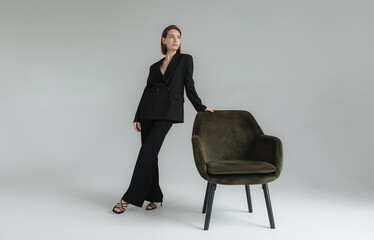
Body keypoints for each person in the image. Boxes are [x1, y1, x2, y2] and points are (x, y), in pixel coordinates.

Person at [112, 25, 214, 214]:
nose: (176, 40)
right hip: (148, 112)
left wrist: (200, 106)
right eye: (171, 37)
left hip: (168, 111)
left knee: (146, 153)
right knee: (151, 155)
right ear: (163, 40)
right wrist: (137, 116)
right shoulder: (153, 67)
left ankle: (128, 197)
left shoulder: (185, 60)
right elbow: (146, 91)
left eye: (179, 37)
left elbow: (189, 85)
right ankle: (155, 197)